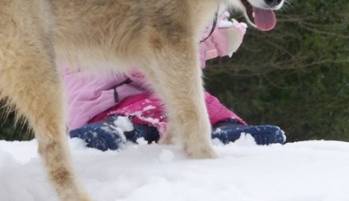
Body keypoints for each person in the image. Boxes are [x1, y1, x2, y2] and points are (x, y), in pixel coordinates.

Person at [64, 13, 285, 151]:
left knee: (202, 101)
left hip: (151, 93)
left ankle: (228, 129)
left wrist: (213, 30)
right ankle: (115, 132)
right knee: (148, 109)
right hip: (103, 103)